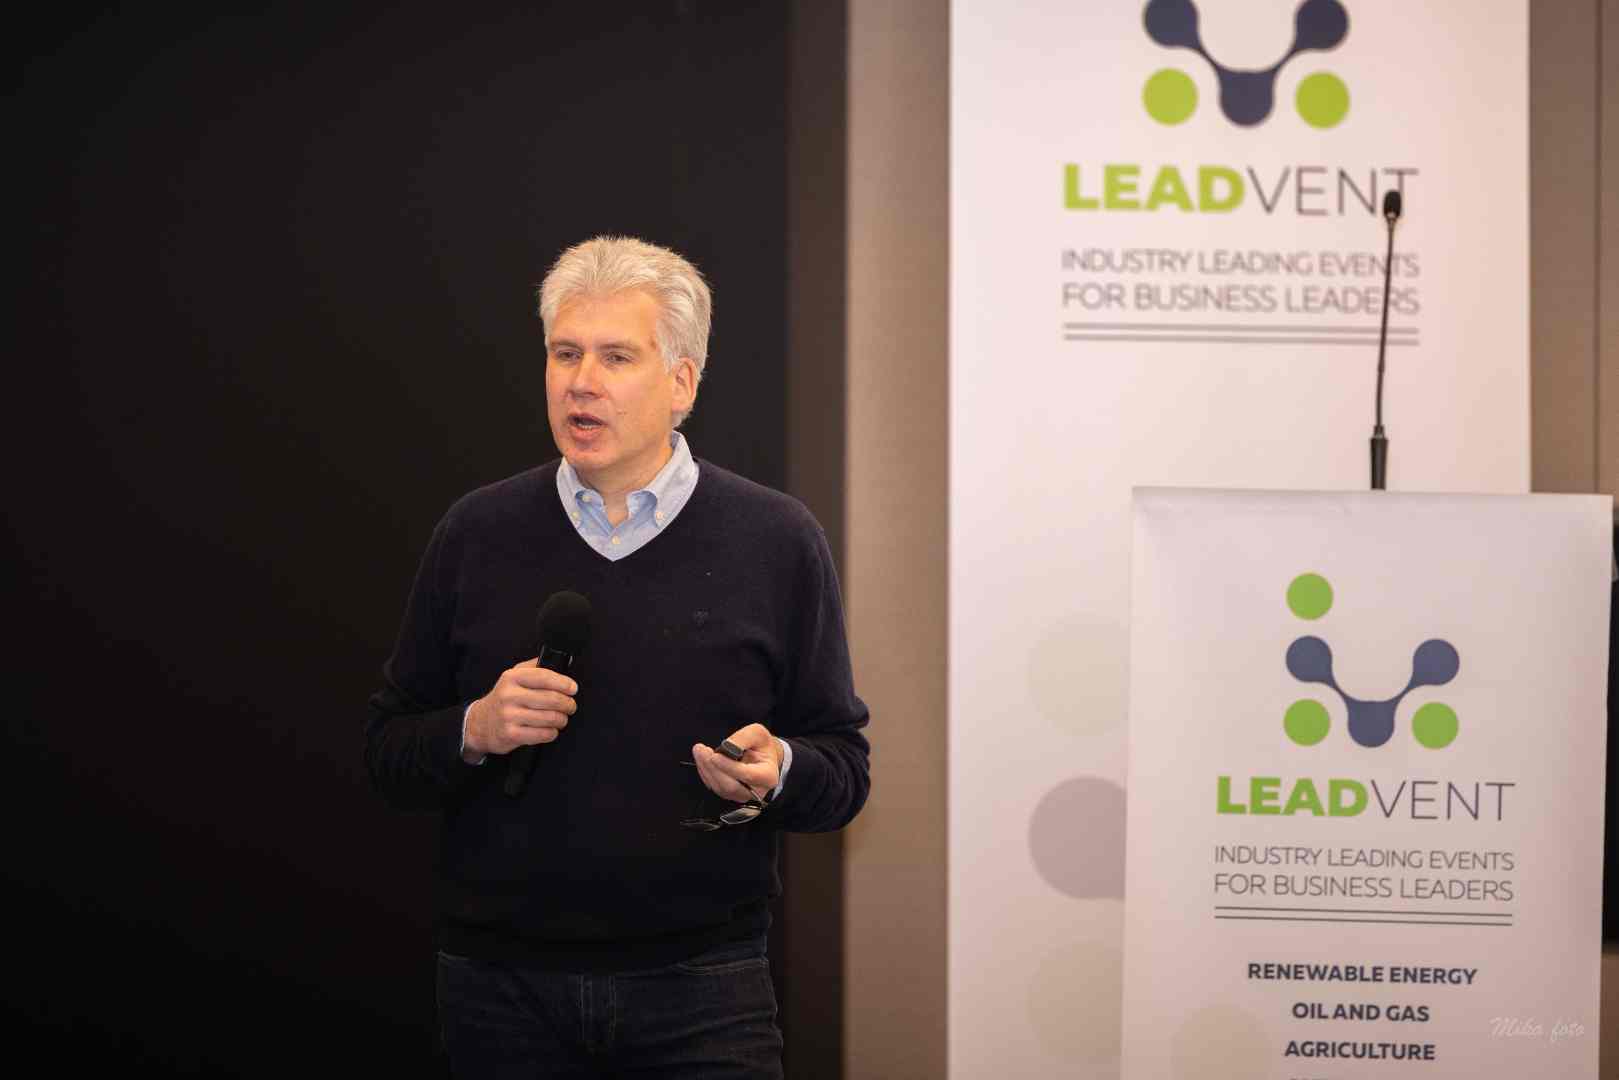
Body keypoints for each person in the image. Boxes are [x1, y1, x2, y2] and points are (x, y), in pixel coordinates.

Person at [365, 235, 870, 1078]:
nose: (580, 381)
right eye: (565, 354)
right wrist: (474, 729)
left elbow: (844, 771)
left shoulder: (776, 540)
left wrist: (779, 768)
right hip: (500, 988)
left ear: (682, 382)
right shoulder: (476, 532)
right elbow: (386, 752)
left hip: (704, 989)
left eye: (616, 357)